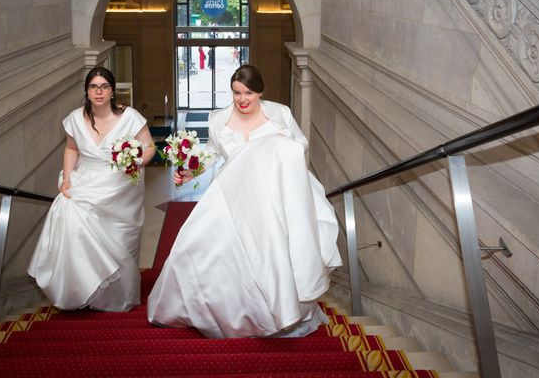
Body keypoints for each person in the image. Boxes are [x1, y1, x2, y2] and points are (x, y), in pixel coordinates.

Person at [147, 64, 342, 338]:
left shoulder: (280, 114)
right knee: (201, 246)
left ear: (260, 92)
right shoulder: (218, 119)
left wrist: (271, 147)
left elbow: (301, 144)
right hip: (232, 194)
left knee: (271, 255)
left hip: (273, 196)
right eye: (236, 93)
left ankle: (277, 313)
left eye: (248, 93)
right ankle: (228, 313)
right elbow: (212, 154)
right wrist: (190, 171)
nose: (241, 99)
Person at [28, 67, 156, 312]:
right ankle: (84, 289)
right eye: (93, 87)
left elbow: (148, 146)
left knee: (118, 241)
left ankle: (118, 296)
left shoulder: (130, 117)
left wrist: (136, 160)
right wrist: (67, 179)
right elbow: (72, 149)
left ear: (112, 90)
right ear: (86, 91)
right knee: (74, 221)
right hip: (86, 179)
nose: (99, 91)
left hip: (119, 185)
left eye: (104, 86)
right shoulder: (76, 118)